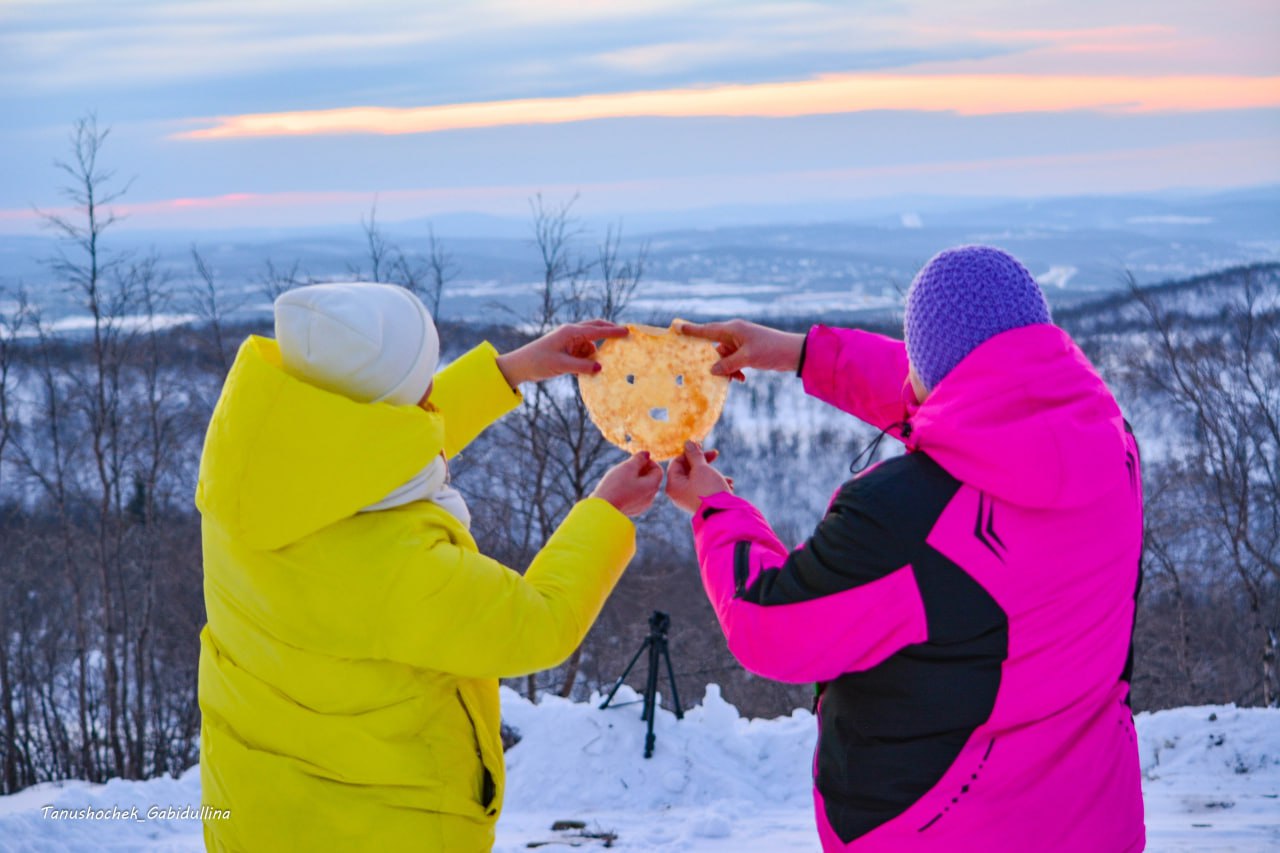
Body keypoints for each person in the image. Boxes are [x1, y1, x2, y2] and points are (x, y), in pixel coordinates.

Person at [666, 245, 1146, 851]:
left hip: (942, 830)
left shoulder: (907, 517)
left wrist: (715, 508)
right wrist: (800, 355)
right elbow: (979, 400)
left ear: (926, 368)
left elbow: (767, 627)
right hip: (1094, 820)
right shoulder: (1107, 446)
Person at [196, 282, 662, 852]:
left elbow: (367, 456)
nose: (429, 402)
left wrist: (511, 371)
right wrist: (606, 512)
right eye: (422, 389)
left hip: (256, 812)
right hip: (376, 827)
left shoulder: (251, 478)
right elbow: (540, 623)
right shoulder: (392, 564)